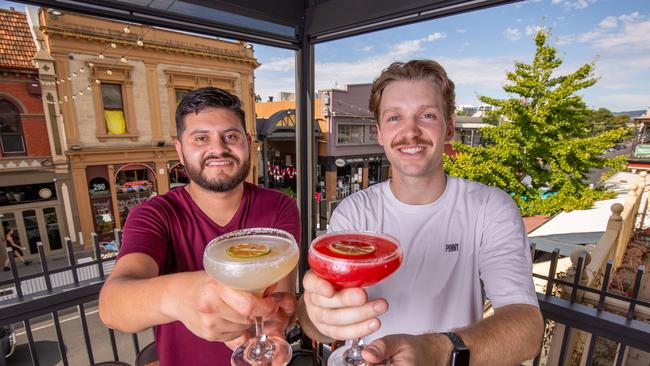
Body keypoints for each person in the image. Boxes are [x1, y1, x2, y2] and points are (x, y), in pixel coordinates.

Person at [299, 60, 544, 365]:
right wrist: (316, 315)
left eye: (427, 115)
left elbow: (527, 328)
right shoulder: (353, 212)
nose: (410, 132)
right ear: (379, 133)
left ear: (449, 128)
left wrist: (437, 350)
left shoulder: (489, 208)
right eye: (394, 118)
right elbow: (313, 322)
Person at [98, 87, 300, 366]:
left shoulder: (280, 206)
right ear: (180, 150)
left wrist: (274, 329)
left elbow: (280, 298)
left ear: (249, 143)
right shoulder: (155, 214)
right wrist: (181, 295)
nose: (218, 148)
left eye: (231, 136)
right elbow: (112, 306)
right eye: (201, 138)